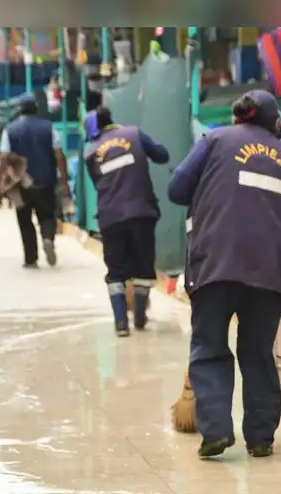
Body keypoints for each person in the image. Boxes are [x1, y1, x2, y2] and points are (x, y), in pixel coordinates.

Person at [167, 89, 281, 459]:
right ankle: (261, 438)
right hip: (271, 271)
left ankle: (215, 432)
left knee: (210, 347)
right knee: (258, 352)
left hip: (216, 262)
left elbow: (176, 189)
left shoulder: (213, 140)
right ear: (275, 123)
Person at [82, 105, 170, 336]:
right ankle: (139, 318)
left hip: (111, 216)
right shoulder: (134, 134)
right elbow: (162, 156)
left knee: (116, 269)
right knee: (143, 264)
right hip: (142, 212)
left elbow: (98, 183)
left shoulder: (90, 152)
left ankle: (121, 324)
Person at [0, 94, 71, 269]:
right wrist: (64, 181)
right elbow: (59, 155)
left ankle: (31, 259)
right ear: (36, 109)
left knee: (24, 220)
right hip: (45, 181)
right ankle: (47, 238)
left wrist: (3, 180)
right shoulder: (49, 127)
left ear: (20, 110)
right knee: (47, 216)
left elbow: (4, 157)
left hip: (21, 184)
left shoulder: (10, 130)